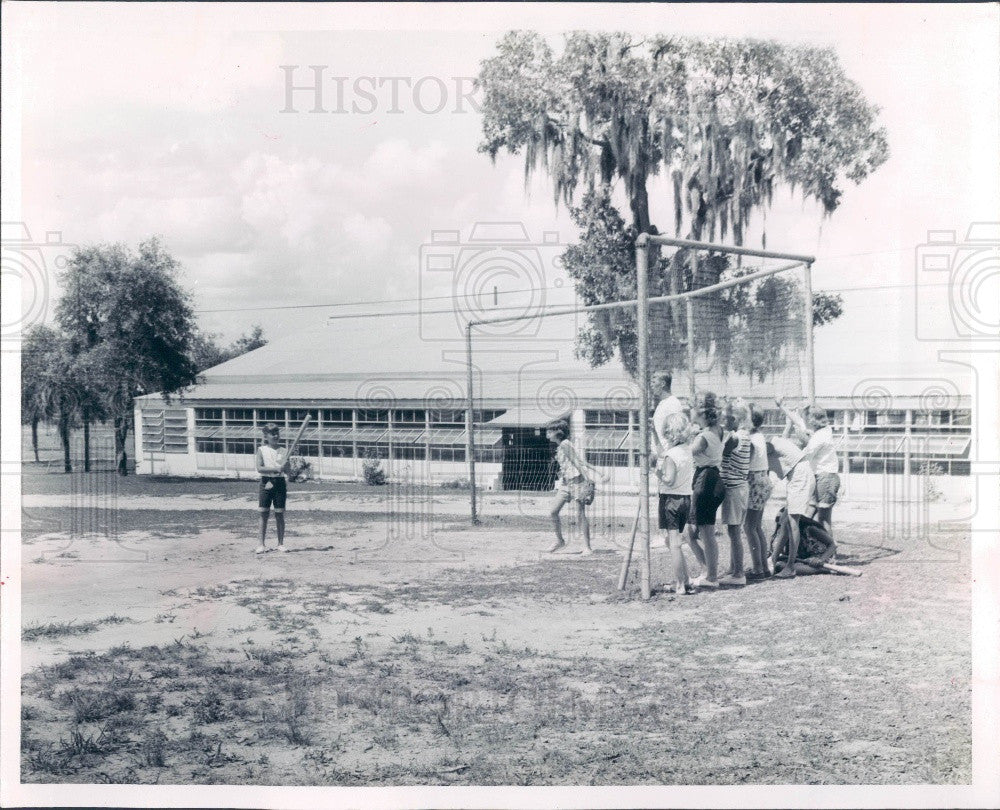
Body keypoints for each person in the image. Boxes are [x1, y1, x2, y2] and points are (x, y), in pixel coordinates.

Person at [776, 398, 840, 535]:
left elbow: (803, 456)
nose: (803, 421)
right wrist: (783, 406)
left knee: (823, 519)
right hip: (821, 477)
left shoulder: (819, 438)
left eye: (805, 418)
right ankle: (817, 548)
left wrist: (792, 444)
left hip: (825, 478)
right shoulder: (821, 431)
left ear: (811, 420)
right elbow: (798, 421)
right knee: (810, 514)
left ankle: (830, 551)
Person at [545, 420, 609, 555]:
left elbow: (577, 463)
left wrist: (587, 479)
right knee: (553, 511)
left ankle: (587, 547)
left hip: (577, 481)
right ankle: (559, 541)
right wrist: (599, 472)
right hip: (566, 483)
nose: (548, 433)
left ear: (558, 432)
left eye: (550, 431)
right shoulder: (561, 445)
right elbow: (580, 461)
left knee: (580, 514)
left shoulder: (564, 444)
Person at [685, 393, 726, 588]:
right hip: (712, 478)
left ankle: (712, 577)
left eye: (691, 409)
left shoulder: (703, 438)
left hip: (706, 480)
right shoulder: (716, 430)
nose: (689, 412)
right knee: (691, 532)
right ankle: (708, 571)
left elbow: (686, 453)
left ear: (700, 412)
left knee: (706, 532)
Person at [653, 412, 696, 595]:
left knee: (674, 543)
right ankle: (685, 580)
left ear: (670, 434)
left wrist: (658, 473)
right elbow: (662, 452)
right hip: (685, 498)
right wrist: (653, 434)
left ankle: (679, 584)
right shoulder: (687, 450)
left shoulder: (671, 456)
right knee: (673, 541)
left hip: (670, 499)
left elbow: (669, 479)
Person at [766, 429, 816, 579]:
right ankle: (773, 559)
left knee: (793, 521)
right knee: (785, 521)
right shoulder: (774, 441)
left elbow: (766, 449)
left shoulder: (767, 444)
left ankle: (790, 567)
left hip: (800, 475)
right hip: (797, 475)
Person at [719, 399, 752, 586]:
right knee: (734, 531)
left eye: (728, 417)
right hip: (737, 487)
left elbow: (721, 452)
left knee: (734, 532)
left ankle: (739, 573)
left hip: (734, 488)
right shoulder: (744, 435)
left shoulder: (736, 437)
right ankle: (734, 568)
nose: (724, 420)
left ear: (737, 418)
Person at [743, 406, 774, 578]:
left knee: (749, 527)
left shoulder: (751, 440)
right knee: (756, 526)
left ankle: (758, 568)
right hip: (762, 479)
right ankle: (763, 566)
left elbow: (746, 461)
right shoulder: (760, 436)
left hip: (754, 481)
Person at [769, 507, 837, 575]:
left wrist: (821, 559)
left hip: (821, 557)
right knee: (780, 565)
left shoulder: (809, 528)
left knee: (790, 567)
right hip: (802, 559)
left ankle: (822, 570)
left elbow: (833, 544)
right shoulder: (781, 532)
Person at [255, 423, 290, 554]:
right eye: (272, 433)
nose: (275, 436)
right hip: (266, 482)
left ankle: (280, 544)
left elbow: (288, 472)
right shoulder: (261, 450)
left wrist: (286, 467)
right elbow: (259, 468)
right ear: (266, 436)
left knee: (279, 514)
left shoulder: (284, 451)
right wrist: (275, 468)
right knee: (263, 513)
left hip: (279, 483)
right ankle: (261, 544)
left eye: (277, 433)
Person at [652, 371, 686, 454]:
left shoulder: (673, 403)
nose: (651, 385)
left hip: (668, 454)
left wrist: (669, 454)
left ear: (663, 383)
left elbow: (677, 432)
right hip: (660, 454)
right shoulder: (662, 403)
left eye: (653, 382)